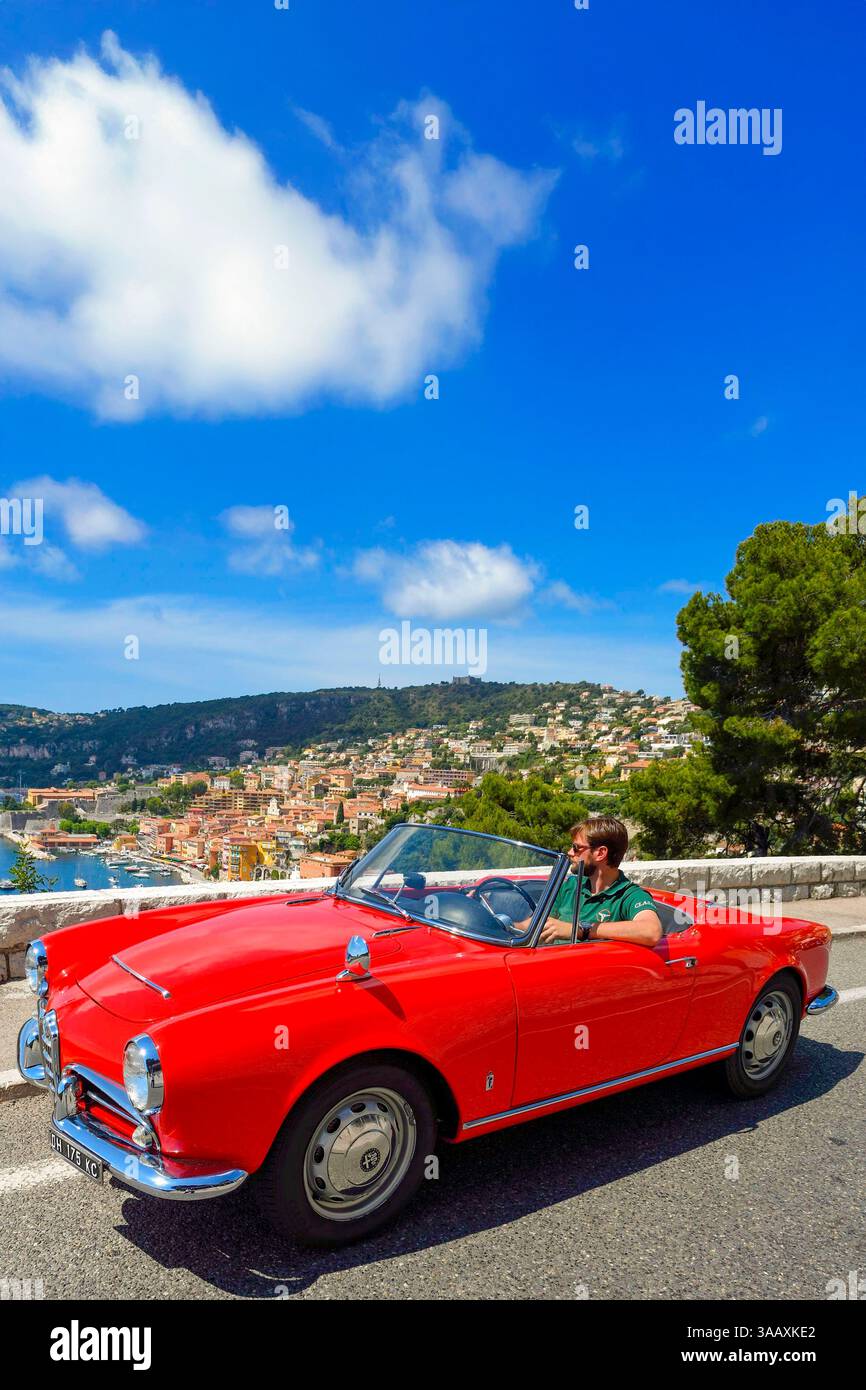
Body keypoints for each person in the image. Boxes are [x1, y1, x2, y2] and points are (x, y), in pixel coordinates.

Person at [517, 816, 662, 947]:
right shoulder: (569, 886)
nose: (570, 852)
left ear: (600, 853)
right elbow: (538, 923)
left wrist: (579, 930)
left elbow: (651, 931)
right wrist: (505, 925)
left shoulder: (629, 895)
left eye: (576, 848)